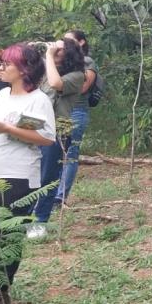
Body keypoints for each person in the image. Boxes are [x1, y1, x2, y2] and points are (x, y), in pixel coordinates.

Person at [0, 44, 56, 304]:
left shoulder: (38, 99)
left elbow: (47, 138)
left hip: (19, 175)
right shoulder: (2, 95)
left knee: (9, 235)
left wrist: (9, 128)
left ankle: (1, 294)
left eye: (6, 64)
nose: (1, 68)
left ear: (23, 69)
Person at [28, 38, 86, 239]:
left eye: (58, 48)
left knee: (47, 178)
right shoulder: (46, 69)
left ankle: (39, 222)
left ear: (68, 53)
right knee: (28, 176)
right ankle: (22, 219)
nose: (53, 50)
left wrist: (48, 56)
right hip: (34, 128)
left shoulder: (78, 75)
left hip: (58, 132)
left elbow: (55, 83)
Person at [52, 29, 98, 208]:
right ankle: (50, 192)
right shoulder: (59, 63)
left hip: (77, 111)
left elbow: (84, 87)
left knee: (70, 154)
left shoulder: (87, 62)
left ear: (81, 42)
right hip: (57, 111)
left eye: (68, 41)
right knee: (53, 153)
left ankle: (60, 197)